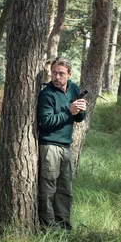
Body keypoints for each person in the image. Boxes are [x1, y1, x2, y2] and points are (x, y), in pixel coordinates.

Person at [37, 57, 87, 231]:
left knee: (65, 190)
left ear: (69, 74)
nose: (57, 77)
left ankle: (64, 227)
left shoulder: (74, 88)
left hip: (66, 147)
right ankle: (48, 228)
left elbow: (79, 118)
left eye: (61, 73)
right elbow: (46, 122)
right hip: (49, 146)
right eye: (54, 73)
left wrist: (80, 110)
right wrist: (69, 111)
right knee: (48, 189)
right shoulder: (47, 94)